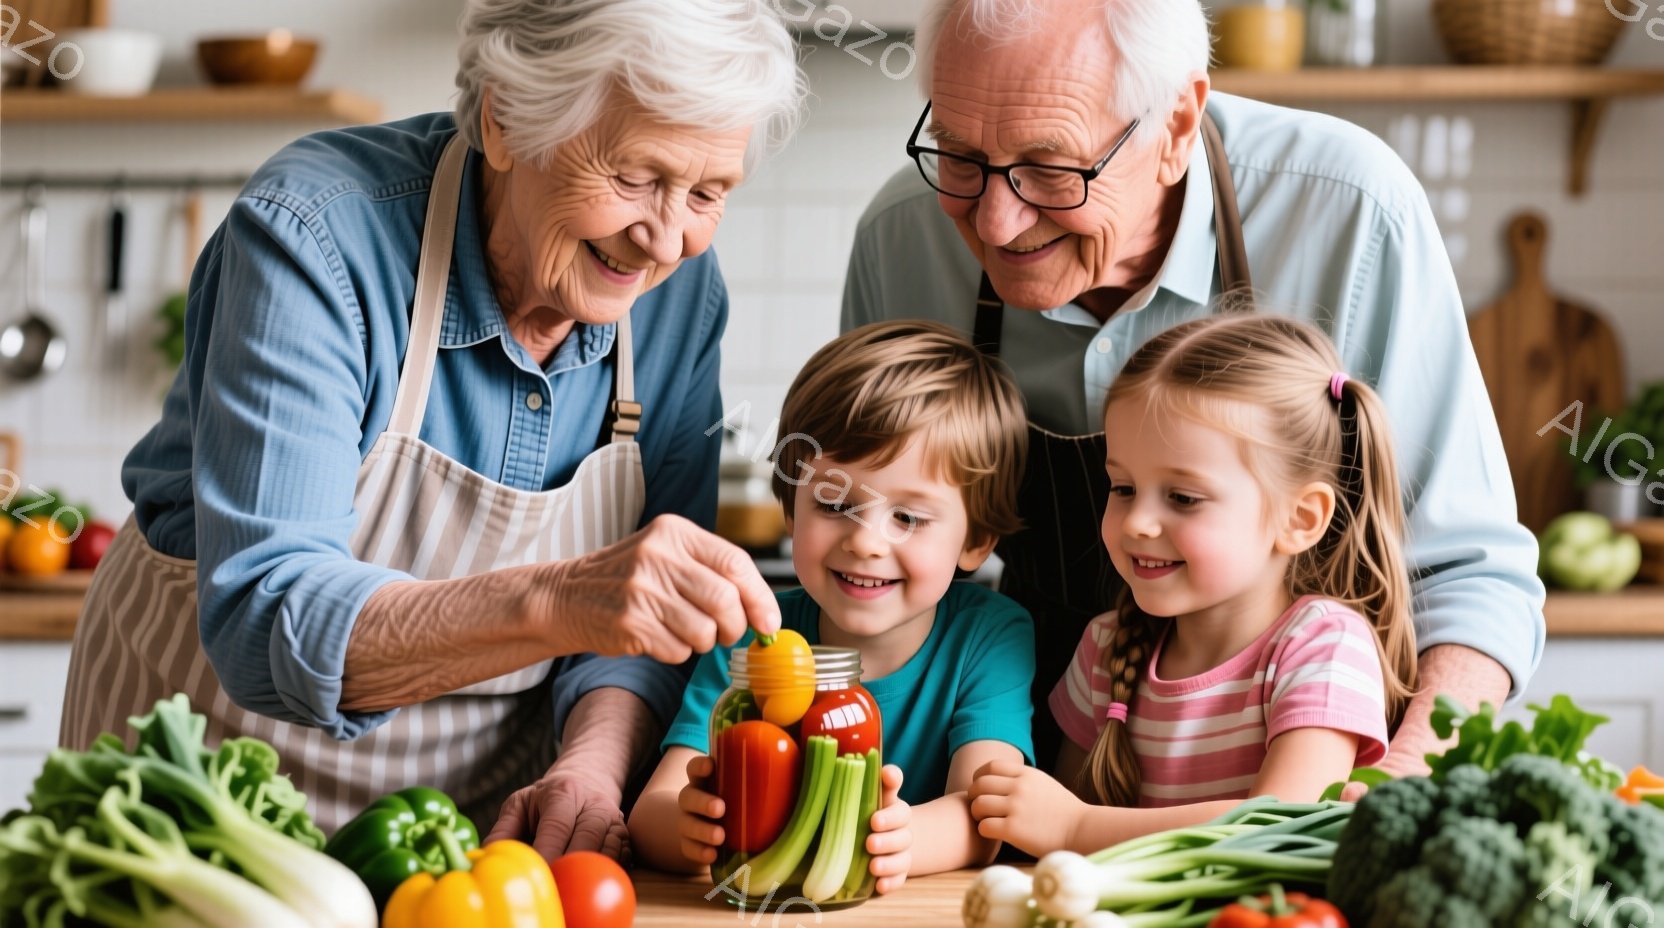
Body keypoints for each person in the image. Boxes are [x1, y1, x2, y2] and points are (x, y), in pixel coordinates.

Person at [59, 0, 807, 860]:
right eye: (636, 177)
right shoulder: (318, 235)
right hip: (198, 811)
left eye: (708, 192)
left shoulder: (678, 294)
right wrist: (562, 600)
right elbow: (268, 621)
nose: (665, 239)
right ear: (506, 119)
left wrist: (592, 771)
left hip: (467, 845)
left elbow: (641, 628)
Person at [841, 0, 1544, 784]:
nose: (998, 223)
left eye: (1051, 169)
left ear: (1175, 128)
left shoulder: (1352, 210)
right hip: (1015, 765)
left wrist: (1395, 784)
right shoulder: (901, 235)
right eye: (961, 157)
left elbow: (1468, 575)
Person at [970, 314, 1417, 854]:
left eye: (1183, 497)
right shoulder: (1104, 649)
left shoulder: (1323, 646)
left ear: (1300, 518)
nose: (1137, 522)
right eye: (1123, 487)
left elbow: (1286, 825)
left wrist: (1076, 829)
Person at [629, 321, 1035, 891]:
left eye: (909, 518)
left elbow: (985, 811)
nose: (866, 541)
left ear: (976, 541)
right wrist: (689, 827)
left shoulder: (990, 636)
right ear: (790, 512)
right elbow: (651, 813)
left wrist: (900, 840)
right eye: (835, 503)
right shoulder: (753, 635)